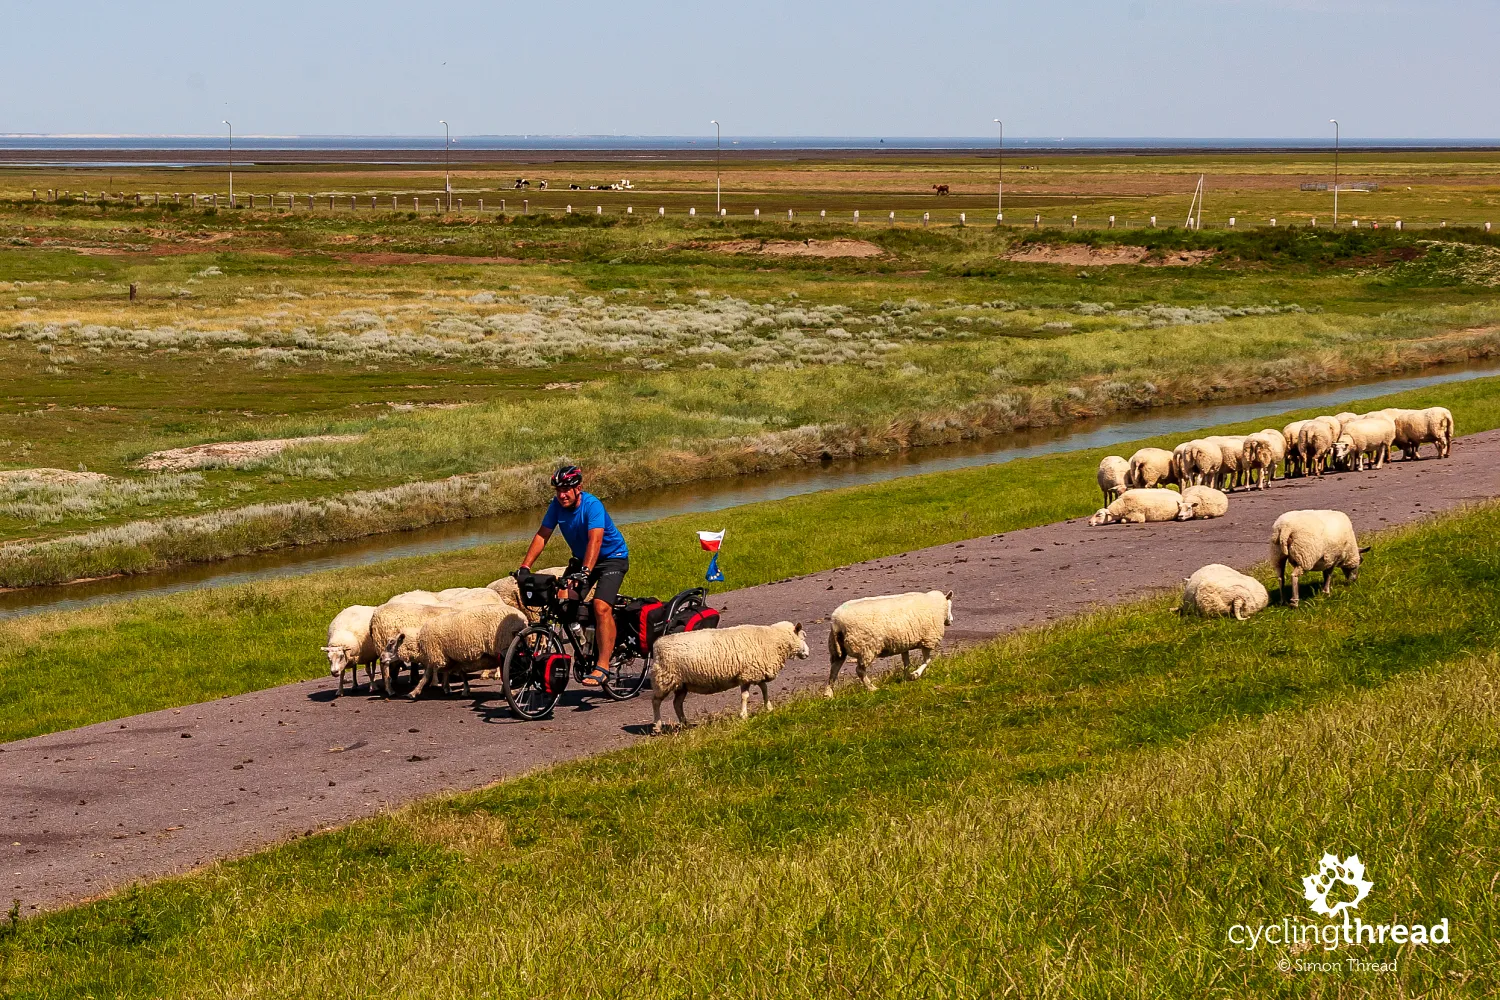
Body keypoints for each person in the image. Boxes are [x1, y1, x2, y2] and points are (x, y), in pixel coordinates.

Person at [517, 465, 629, 687]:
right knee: (562, 600)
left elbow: (595, 541)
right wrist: (525, 567)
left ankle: (603, 665)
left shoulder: (592, 505)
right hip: (581, 559)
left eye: (566, 489)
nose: (562, 494)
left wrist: (586, 571)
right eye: (558, 490)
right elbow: (542, 535)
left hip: (611, 559)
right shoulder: (556, 507)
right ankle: (586, 645)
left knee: (600, 606)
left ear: (579, 488)